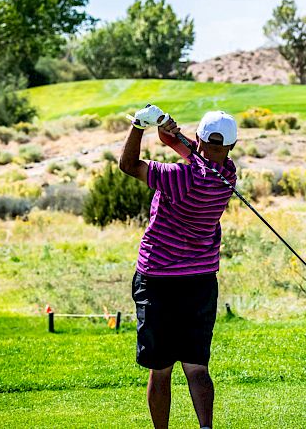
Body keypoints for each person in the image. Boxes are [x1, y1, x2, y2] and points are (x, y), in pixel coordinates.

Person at [119, 104, 237, 429]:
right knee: (197, 368)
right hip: (200, 282)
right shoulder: (228, 175)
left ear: (198, 138)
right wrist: (170, 131)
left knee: (161, 370)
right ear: (231, 146)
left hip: (158, 281)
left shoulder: (179, 178)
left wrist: (138, 125)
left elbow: (128, 165)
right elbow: (196, 153)